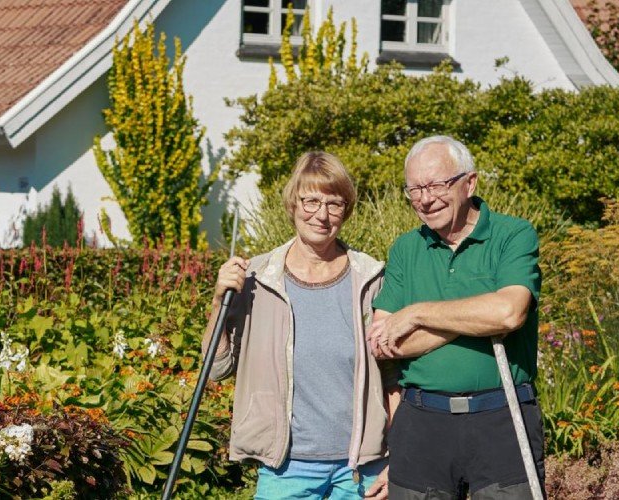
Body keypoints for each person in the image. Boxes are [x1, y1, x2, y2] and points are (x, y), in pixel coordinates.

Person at [203, 151, 398, 500]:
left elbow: (393, 378)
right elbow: (216, 368)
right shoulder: (257, 279)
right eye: (311, 201)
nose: (321, 215)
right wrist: (219, 301)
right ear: (293, 204)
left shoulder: (370, 279)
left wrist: (396, 457)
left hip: (359, 470)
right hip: (285, 469)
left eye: (334, 204)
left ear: (346, 211)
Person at [367, 135, 544, 499]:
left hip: (502, 417)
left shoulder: (513, 234)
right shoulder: (406, 248)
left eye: (436, 184)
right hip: (422, 422)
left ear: (470, 182)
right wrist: (476, 316)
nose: (425, 198)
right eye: (414, 189)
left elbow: (509, 313)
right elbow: (384, 341)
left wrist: (418, 313)